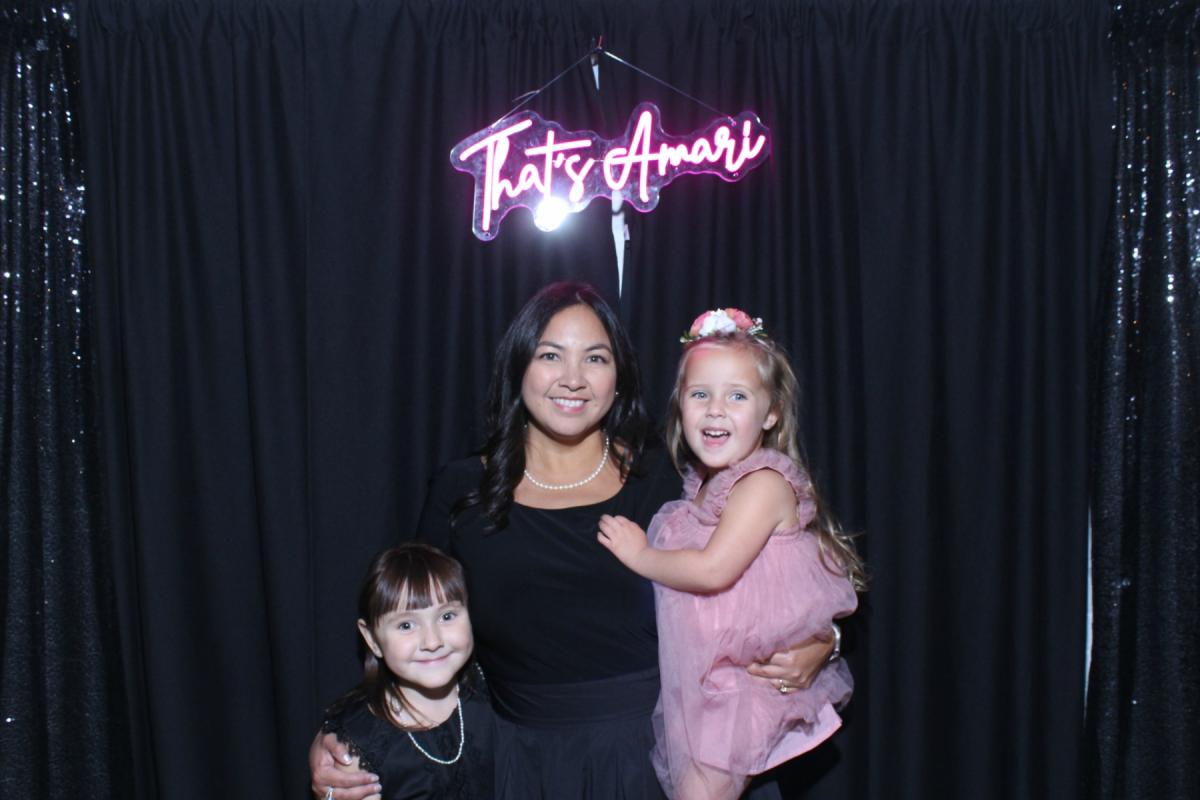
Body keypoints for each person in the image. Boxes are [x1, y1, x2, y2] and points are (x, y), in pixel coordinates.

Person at [311, 283, 839, 800]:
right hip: (520, 766)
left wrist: (824, 644)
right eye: (550, 356)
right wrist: (346, 733)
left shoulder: (674, 478)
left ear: (619, 376)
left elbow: (780, 580)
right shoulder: (463, 491)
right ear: (518, 367)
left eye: (595, 358)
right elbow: (407, 625)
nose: (573, 379)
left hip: (670, 762)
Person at [597, 308, 866, 800]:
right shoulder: (697, 487)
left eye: (737, 396)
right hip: (699, 690)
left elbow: (714, 570)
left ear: (772, 412)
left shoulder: (762, 482)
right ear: (679, 406)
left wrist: (640, 555)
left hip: (740, 689)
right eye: (700, 394)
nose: (715, 410)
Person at [318, 544, 496, 800]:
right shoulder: (360, 745)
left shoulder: (496, 690)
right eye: (406, 625)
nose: (432, 641)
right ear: (372, 639)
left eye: (447, 616)